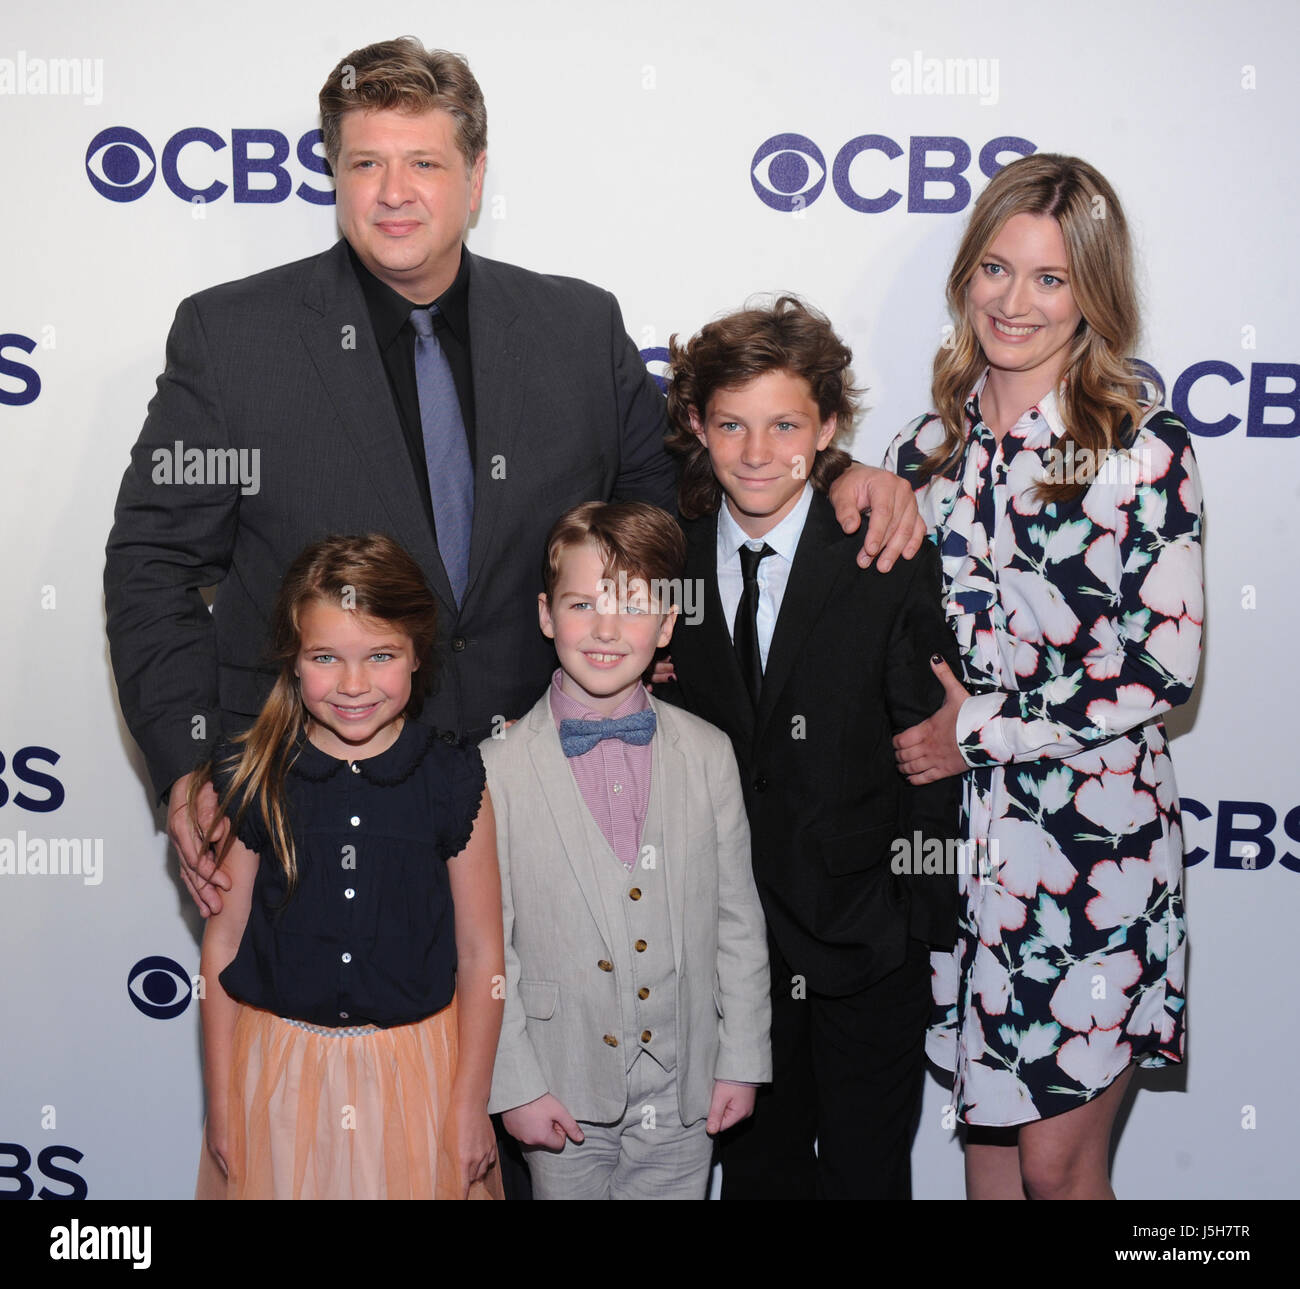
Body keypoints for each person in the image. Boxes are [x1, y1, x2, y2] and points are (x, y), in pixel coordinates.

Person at [101, 35, 924, 924]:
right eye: (366, 162)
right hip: (304, 804)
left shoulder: (575, 326)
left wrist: (832, 469)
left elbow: (680, 485)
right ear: (334, 172)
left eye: (424, 161)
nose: (393, 191)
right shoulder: (234, 338)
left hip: (551, 809)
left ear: (476, 175)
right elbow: (151, 561)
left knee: (537, 1062)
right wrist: (191, 764)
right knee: (321, 1067)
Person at [886, 153, 1203, 1200]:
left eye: (1049, 278)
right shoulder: (925, 449)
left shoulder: (1140, 449)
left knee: (1057, 1171)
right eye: (993, 268)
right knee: (983, 1162)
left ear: (1093, 295)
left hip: (1085, 848)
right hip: (955, 854)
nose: (1012, 302)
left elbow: (1161, 665)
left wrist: (980, 727)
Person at [657, 297, 962, 1199]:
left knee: (870, 1176)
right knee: (758, 1175)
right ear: (695, 425)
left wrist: (918, 926)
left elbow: (929, 751)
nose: (758, 453)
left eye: (785, 424)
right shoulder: (662, 561)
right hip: (726, 951)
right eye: (732, 425)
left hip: (866, 943)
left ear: (828, 428)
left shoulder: (883, 552)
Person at [192, 533, 504, 1199]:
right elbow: (222, 938)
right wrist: (220, 1099)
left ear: (418, 653)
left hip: (419, 1079)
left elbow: (482, 954)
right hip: (278, 1080)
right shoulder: (255, 775)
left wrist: (471, 1102)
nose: (354, 683)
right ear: (294, 661)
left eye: (381, 655)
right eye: (326, 657)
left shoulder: (454, 780)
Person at [482, 501, 771, 1199]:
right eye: (583, 604)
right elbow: (490, 948)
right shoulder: (495, 768)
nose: (606, 630)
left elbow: (739, 920)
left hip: (684, 1087)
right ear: (547, 615)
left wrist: (740, 1058)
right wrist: (513, 1084)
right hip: (561, 1082)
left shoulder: (708, 753)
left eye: (633, 606)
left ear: (668, 623)